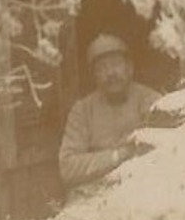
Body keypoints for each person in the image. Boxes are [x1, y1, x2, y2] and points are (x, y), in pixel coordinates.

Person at [58, 34, 160, 189]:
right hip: (93, 194)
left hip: (142, 187)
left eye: (116, 64)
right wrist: (118, 156)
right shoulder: (83, 110)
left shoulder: (151, 100)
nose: (111, 73)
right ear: (94, 76)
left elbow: (166, 149)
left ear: (130, 68)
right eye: (102, 68)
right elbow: (68, 167)